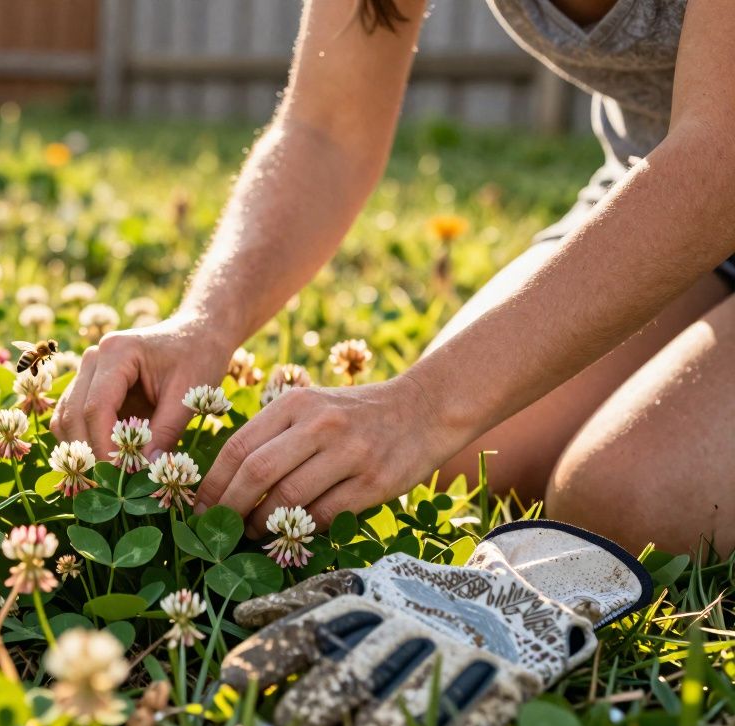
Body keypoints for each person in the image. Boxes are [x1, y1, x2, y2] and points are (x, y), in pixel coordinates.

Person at [51, 0, 735, 556]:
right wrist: (204, 323)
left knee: (627, 502)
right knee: (471, 462)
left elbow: (720, 163)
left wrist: (423, 405)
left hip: (713, 172)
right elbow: (328, 128)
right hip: (655, 185)